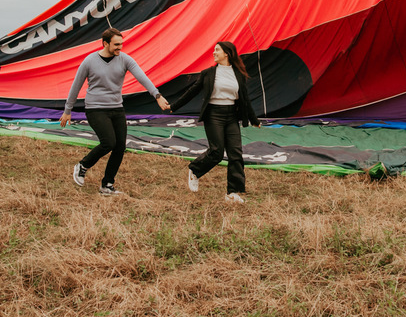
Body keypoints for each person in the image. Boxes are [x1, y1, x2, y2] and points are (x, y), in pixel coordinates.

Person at [61, 27, 170, 195]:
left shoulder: (125, 59)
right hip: (95, 109)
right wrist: (68, 110)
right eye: (116, 44)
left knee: (119, 147)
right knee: (109, 143)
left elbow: (142, 77)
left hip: (116, 108)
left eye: (121, 44)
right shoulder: (89, 61)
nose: (120, 47)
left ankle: (107, 185)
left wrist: (157, 95)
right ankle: (83, 165)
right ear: (105, 43)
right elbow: (76, 86)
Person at [166, 41, 261, 204]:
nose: (214, 53)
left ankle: (233, 193)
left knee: (236, 153)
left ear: (227, 53)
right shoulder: (208, 73)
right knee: (216, 152)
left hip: (231, 115)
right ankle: (195, 170)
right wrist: (173, 106)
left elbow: (245, 99)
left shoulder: (238, 74)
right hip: (213, 114)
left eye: (217, 50)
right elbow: (192, 91)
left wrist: (254, 119)